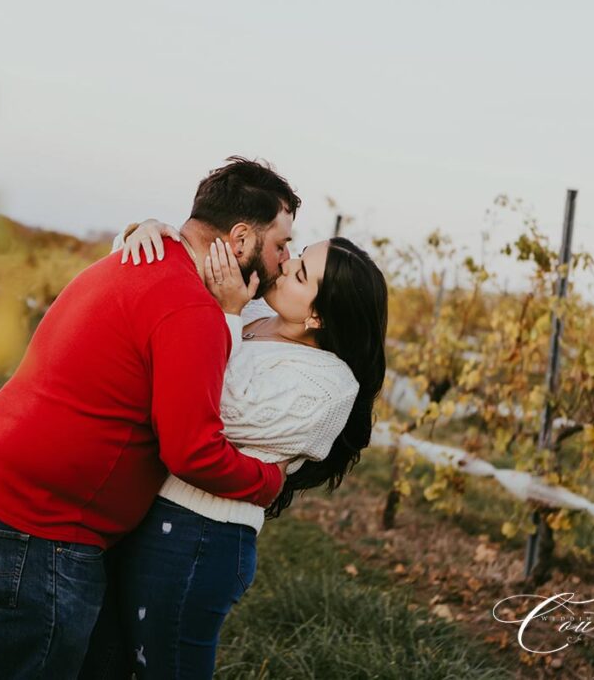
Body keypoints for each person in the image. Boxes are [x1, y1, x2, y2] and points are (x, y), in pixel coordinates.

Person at [0, 157, 302, 679]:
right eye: (280, 244)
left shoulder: (137, 260)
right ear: (241, 239)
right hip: (41, 532)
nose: (284, 258)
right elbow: (193, 452)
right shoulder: (191, 310)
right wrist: (267, 482)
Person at [83, 219, 388, 679]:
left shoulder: (327, 384)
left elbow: (210, 408)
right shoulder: (250, 315)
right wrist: (144, 234)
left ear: (317, 317)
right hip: (145, 515)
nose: (285, 267)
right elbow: (162, 303)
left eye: (301, 275)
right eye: (298, 254)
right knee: (102, 663)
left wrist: (223, 315)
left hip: (200, 539)